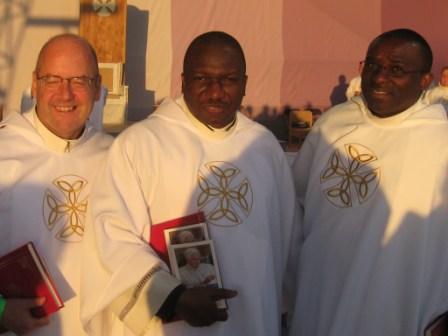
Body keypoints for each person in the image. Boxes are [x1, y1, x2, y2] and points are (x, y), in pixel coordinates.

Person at [81, 31, 295, 336]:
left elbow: (286, 239)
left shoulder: (263, 146)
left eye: (228, 80)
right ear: (183, 81)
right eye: (202, 79)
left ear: (245, 83)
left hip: (252, 318)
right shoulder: (141, 144)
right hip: (175, 322)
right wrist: (173, 298)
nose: (215, 92)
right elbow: (112, 236)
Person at [289, 28, 448, 336]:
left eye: (397, 69)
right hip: (323, 295)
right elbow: (296, 206)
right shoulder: (333, 125)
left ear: (425, 80)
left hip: (400, 303)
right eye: (373, 65)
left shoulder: (441, 138)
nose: (379, 77)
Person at [0, 34, 113, 335]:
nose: (66, 95)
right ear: (34, 84)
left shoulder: (118, 158)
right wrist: (0, 312)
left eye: (79, 80)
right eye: (53, 80)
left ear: (97, 87)